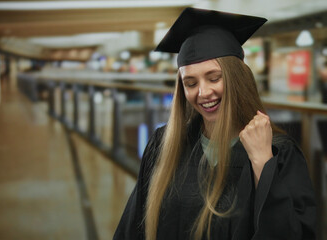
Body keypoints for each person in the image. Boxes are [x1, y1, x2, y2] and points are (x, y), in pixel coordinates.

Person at [113, 7, 316, 240]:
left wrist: (262, 161)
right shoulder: (165, 144)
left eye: (214, 78)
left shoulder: (280, 151)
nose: (203, 92)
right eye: (190, 83)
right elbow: (131, 229)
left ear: (236, 79)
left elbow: (293, 234)